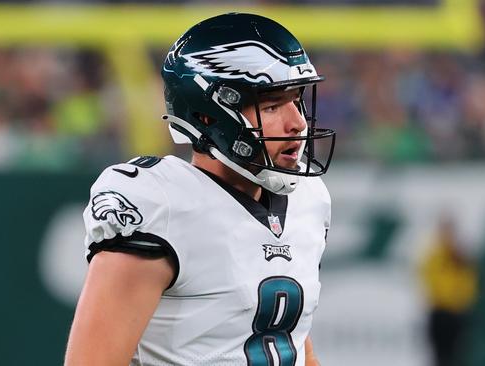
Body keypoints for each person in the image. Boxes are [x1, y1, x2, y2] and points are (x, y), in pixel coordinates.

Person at [64, 12, 335, 366]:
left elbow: (288, 338)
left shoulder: (307, 201)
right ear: (210, 115)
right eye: (271, 105)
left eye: (296, 99)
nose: (297, 122)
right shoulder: (163, 205)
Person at [419, 215, 478, 366]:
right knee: (439, 357)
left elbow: (469, 285)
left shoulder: (462, 258)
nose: (448, 236)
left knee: (457, 357)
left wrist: (459, 298)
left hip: (456, 313)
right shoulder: (434, 257)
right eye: (445, 231)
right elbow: (429, 281)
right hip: (439, 312)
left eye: (450, 231)